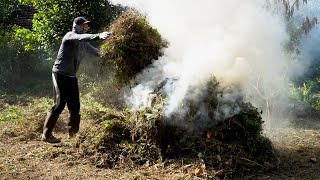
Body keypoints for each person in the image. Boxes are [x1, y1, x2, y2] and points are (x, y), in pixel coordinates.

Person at [41, 17, 111, 143]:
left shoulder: (83, 42)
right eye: (83, 26)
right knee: (59, 104)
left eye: (86, 26)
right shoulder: (70, 35)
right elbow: (80, 37)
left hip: (71, 76)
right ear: (77, 26)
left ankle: (73, 137)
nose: (85, 28)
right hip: (60, 74)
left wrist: (107, 55)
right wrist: (98, 35)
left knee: (75, 106)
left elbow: (94, 51)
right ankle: (46, 135)